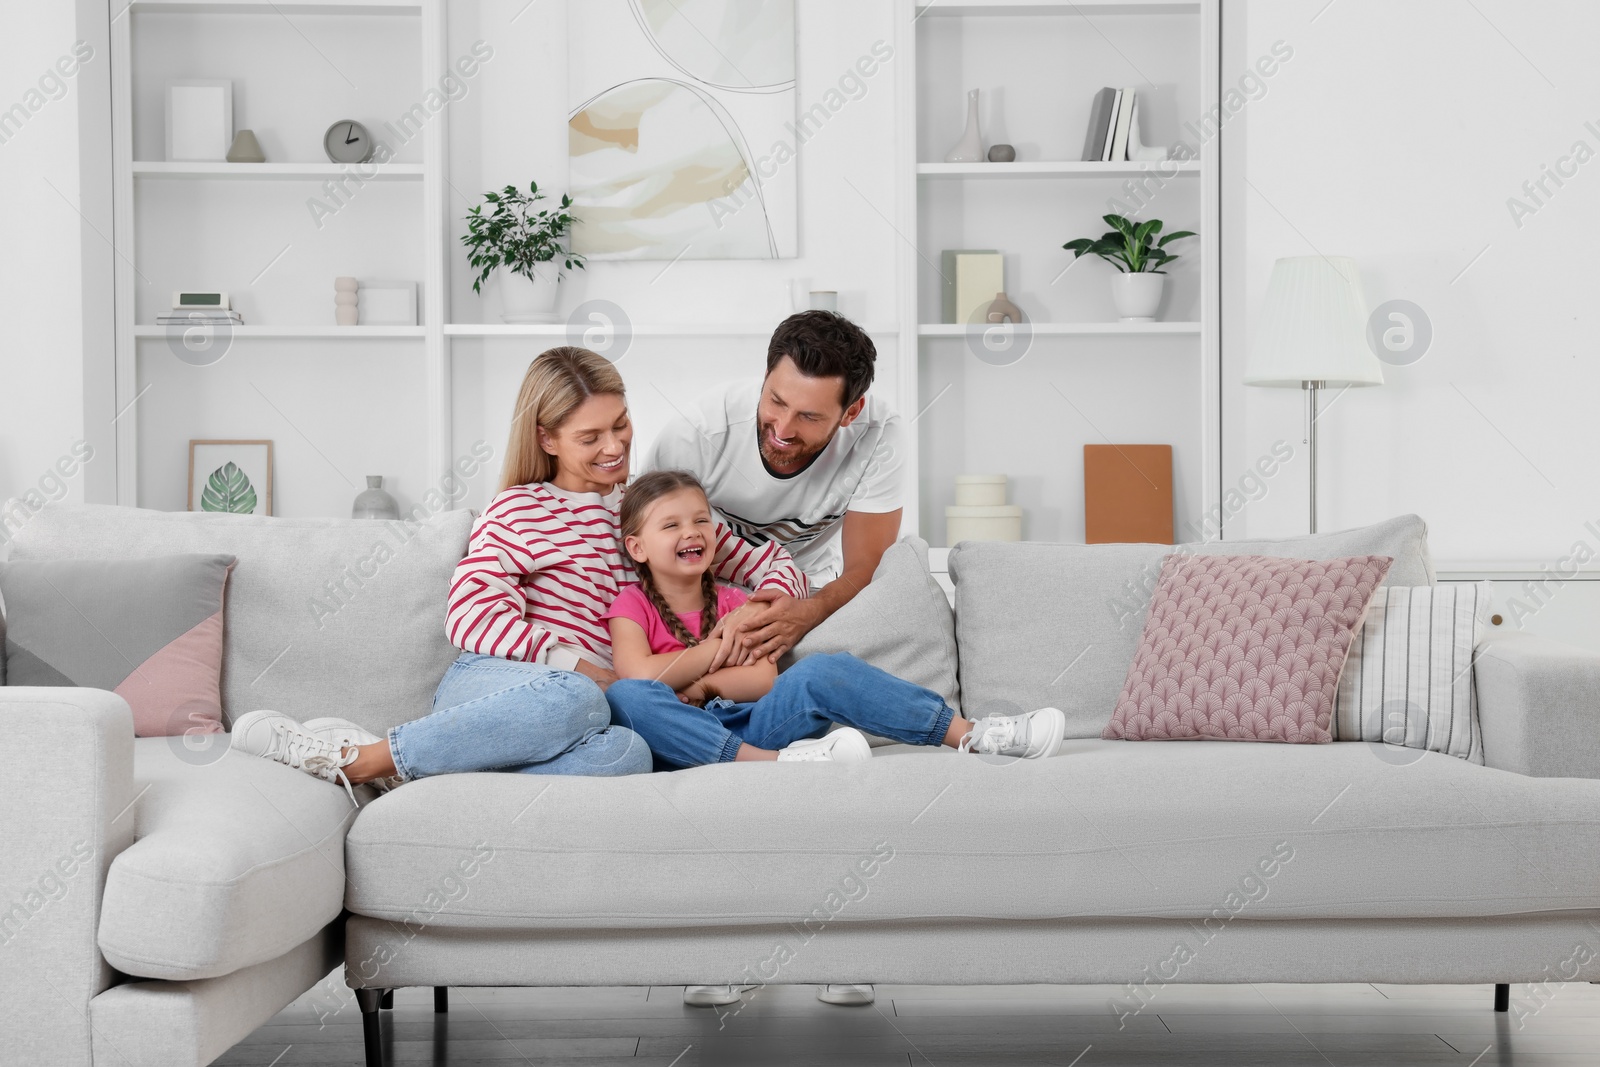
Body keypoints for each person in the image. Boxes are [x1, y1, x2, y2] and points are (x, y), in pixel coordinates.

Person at [231, 347, 807, 797]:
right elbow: (470, 616)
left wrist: (758, 614)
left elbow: (774, 564)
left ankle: (431, 770)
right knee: (579, 698)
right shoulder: (520, 508)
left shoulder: (652, 508)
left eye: (621, 424)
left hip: (586, 710)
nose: (616, 447)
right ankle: (358, 761)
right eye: (590, 437)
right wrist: (582, 668)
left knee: (627, 754)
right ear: (547, 438)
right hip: (502, 683)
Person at [603, 470, 1068, 1010]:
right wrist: (711, 656)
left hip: (750, 721)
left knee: (823, 670)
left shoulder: (738, 602)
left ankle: (977, 733)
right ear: (636, 546)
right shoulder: (629, 605)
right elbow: (640, 678)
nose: (694, 531)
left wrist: (702, 682)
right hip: (684, 741)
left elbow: (761, 679)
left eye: (702, 519)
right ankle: (774, 765)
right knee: (629, 700)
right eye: (672, 524)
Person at [643, 311, 902, 664]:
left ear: (850, 413)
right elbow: (644, 543)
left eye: (809, 416)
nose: (782, 429)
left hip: (808, 592)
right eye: (776, 402)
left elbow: (868, 564)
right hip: (701, 590)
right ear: (765, 378)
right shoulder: (697, 433)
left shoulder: (879, 435)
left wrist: (809, 611)